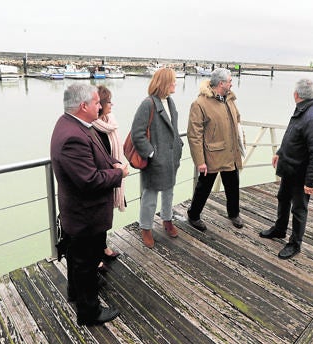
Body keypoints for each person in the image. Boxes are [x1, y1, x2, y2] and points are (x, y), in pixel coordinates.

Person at [50, 83, 128, 326]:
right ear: (83, 105)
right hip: (85, 213)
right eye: (96, 102)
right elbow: (88, 180)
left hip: (79, 212)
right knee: (85, 262)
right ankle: (89, 313)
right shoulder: (73, 135)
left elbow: (98, 158)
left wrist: (113, 163)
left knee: (76, 258)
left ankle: (75, 292)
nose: (100, 105)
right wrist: (119, 174)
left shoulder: (75, 124)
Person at [259, 78, 313, 259]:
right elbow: (292, 135)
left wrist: (311, 181)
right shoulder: (303, 109)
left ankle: (295, 244)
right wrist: (280, 152)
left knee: (299, 209)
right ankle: (279, 230)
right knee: (282, 198)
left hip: (301, 175)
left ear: (296, 94)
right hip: (289, 168)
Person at [130, 68, 184, 248]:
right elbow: (137, 133)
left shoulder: (170, 101)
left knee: (169, 192)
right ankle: (146, 228)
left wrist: (179, 146)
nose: (175, 83)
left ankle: (167, 220)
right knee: (150, 196)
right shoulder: (148, 104)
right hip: (155, 161)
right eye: (173, 81)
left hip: (171, 158)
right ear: (164, 83)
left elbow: (173, 129)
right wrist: (152, 153)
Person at [186, 68, 244, 231]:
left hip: (230, 152)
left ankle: (234, 214)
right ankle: (193, 215)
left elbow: (237, 119)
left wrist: (241, 142)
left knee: (233, 186)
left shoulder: (230, 99)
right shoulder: (200, 104)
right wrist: (200, 161)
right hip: (211, 156)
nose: (232, 83)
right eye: (230, 81)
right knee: (204, 187)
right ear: (221, 83)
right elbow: (194, 135)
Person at [93, 85, 124, 271]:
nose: (112, 104)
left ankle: (103, 247)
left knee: (105, 216)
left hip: (111, 175)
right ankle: (96, 256)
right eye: (108, 101)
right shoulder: (92, 127)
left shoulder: (110, 121)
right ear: (100, 105)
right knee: (97, 218)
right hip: (101, 177)